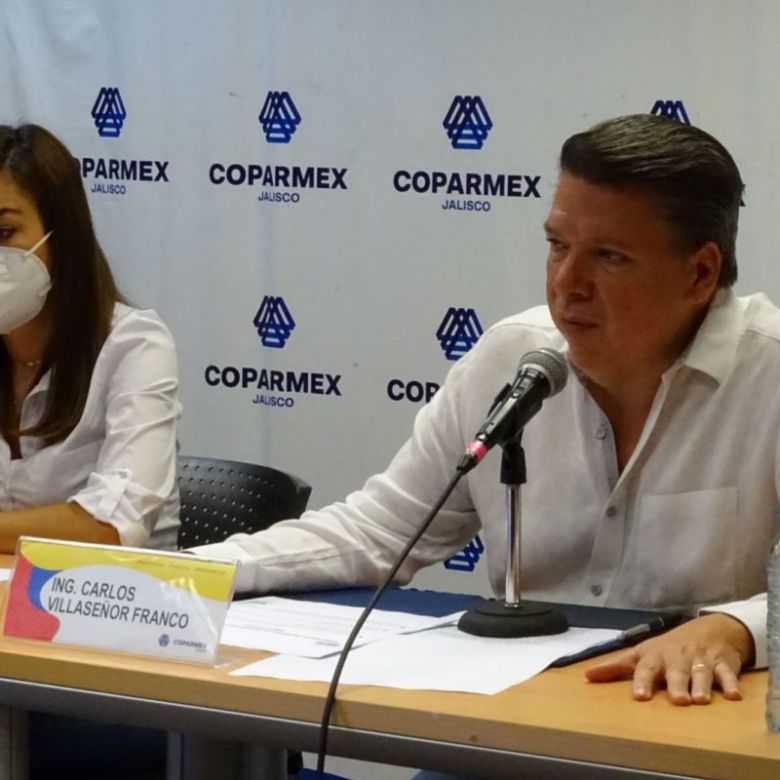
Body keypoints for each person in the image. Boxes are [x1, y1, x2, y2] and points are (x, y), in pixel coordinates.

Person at [193, 113, 778, 707]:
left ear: (700, 273)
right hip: (525, 711)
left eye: (609, 257)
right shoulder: (511, 356)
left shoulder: (770, 375)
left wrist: (736, 628)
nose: (567, 283)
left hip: (698, 714)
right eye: (557, 246)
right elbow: (381, 531)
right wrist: (187, 571)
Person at [0, 123, 180, 552]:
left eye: (4, 233)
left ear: (62, 237)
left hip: (114, 589)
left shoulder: (134, 346)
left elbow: (111, 527)